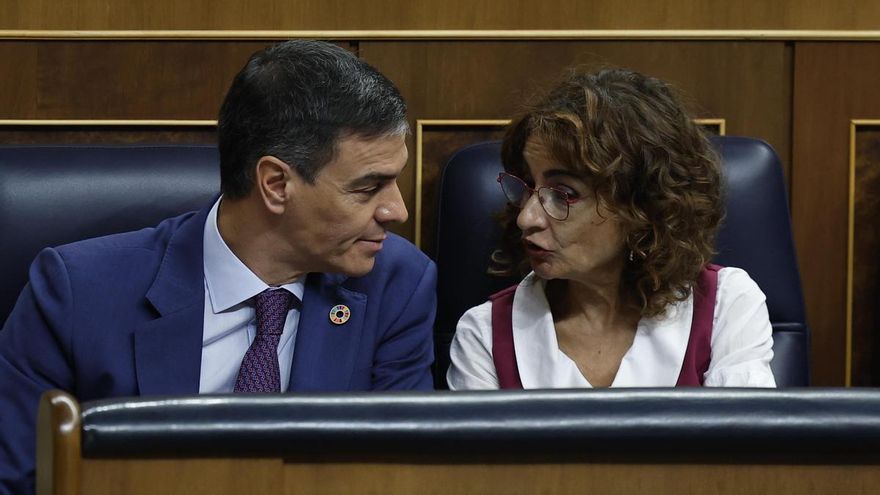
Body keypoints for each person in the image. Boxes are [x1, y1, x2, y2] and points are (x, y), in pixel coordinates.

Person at [0, 40, 436, 494]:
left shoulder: (397, 285)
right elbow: (16, 478)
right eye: (369, 188)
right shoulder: (77, 292)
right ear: (275, 184)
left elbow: (400, 476)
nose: (397, 211)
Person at [447, 68, 775, 390]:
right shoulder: (486, 334)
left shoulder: (725, 305)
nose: (526, 218)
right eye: (528, 187)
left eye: (563, 195)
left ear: (644, 206)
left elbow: (745, 443)